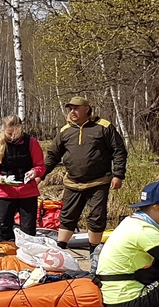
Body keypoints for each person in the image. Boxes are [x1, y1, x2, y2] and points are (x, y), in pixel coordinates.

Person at [42, 95, 128, 247]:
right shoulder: (65, 131)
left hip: (99, 181)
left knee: (96, 217)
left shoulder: (104, 127)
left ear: (86, 109)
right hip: (72, 182)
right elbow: (53, 155)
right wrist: (41, 174)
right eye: (70, 109)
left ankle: (94, 251)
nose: (72, 112)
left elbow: (119, 151)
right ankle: (60, 249)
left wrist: (118, 175)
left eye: (76, 108)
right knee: (67, 216)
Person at [0, 115, 45, 239]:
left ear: (21, 129)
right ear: (4, 131)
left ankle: (26, 254)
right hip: (5, 192)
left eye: (15, 134)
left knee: (28, 230)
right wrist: (0, 178)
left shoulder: (31, 142)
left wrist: (35, 172)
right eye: (9, 134)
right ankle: (6, 253)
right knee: (3, 228)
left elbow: (40, 166)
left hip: (27, 192)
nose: (12, 138)